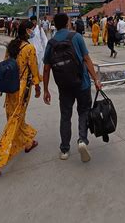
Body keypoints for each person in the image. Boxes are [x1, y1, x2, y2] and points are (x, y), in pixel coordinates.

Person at [42, 12, 102, 162]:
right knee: (83, 112)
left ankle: (64, 150)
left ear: (54, 24)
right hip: (82, 84)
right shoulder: (76, 37)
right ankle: (82, 140)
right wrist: (96, 79)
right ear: (68, 22)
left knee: (65, 116)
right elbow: (87, 59)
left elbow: (46, 68)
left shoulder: (51, 43)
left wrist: (46, 90)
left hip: (64, 86)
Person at [0, 21, 41, 178]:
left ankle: (28, 142)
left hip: (10, 87)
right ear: (27, 31)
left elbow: (4, 68)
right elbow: (34, 69)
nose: (33, 31)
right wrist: (38, 87)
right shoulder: (29, 49)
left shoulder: (11, 46)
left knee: (15, 117)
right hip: (22, 89)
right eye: (32, 29)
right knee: (14, 122)